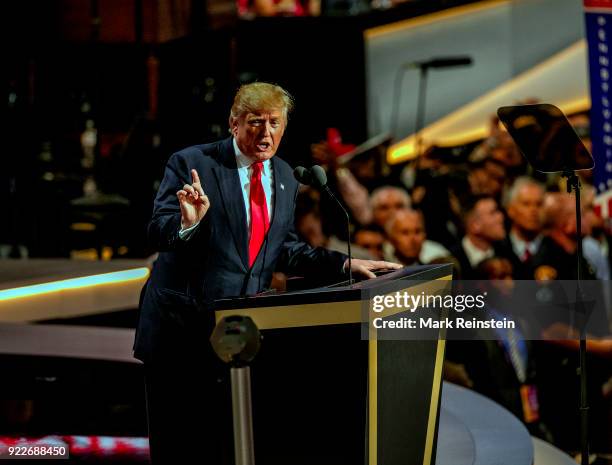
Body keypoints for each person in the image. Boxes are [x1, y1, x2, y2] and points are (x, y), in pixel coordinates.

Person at [133, 82, 399, 464]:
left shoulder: (286, 176)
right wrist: (186, 224)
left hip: (239, 337)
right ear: (234, 123)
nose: (266, 132)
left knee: (232, 445)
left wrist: (343, 263)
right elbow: (157, 231)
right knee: (183, 448)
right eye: (256, 122)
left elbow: (283, 248)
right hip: (182, 334)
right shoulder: (193, 163)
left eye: (275, 122)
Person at [449, 195, 508, 278]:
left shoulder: (507, 254)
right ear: (475, 225)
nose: (501, 217)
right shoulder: (452, 261)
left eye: (498, 211)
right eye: (493, 213)